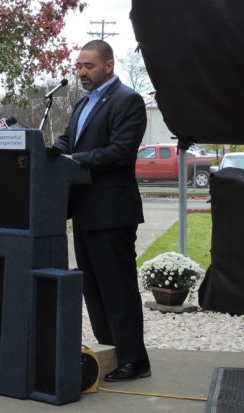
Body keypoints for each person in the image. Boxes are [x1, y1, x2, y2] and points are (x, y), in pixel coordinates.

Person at [50, 40, 150, 382]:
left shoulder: (128, 101)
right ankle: (111, 352)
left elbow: (121, 152)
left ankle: (135, 361)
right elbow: (67, 143)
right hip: (84, 211)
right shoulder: (81, 104)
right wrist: (45, 152)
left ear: (108, 65)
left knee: (117, 287)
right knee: (92, 287)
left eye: (88, 66)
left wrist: (71, 161)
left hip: (112, 212)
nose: (81, 72)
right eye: (79, 66)